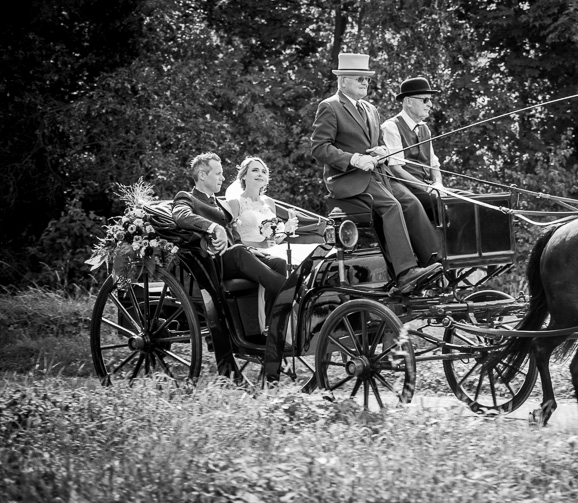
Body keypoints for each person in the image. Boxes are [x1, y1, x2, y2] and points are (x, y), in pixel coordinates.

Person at [310, 52, 442, 293]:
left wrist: (382, 150)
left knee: (411, 202)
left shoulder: (371, 109)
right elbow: (319, 148)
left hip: (378, 176)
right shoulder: (330, 107)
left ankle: (434, 262)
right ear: (343, 81)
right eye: (359, 78)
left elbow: (379, 142)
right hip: (348, 179)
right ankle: (405, 273)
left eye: (367, 79)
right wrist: (354, 159)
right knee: (391, 206)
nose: (365, 82)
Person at [172, 153, 287, 318]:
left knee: (278, 263)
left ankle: (272, 327)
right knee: (239, 251)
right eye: (218, 173)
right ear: (203, 175)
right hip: (212, 262)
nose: (223, 177)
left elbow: (235, 236)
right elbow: (181, 216)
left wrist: (257, 248)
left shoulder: (220, 204)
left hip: (237, 257)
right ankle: (294, 291)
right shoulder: (186, 197)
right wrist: (214, 227)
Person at [381, 77, 444, 216]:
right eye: (425, 100)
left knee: (470, 201)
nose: (430, 104)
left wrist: (438, 185)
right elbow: (395, 169)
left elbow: (434, 165)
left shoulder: (425, 129)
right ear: (409, 101)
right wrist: (427, 188)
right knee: (442, 204)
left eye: (430, 100)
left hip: (429, 189)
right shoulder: (391, 127)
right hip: (407, 192)